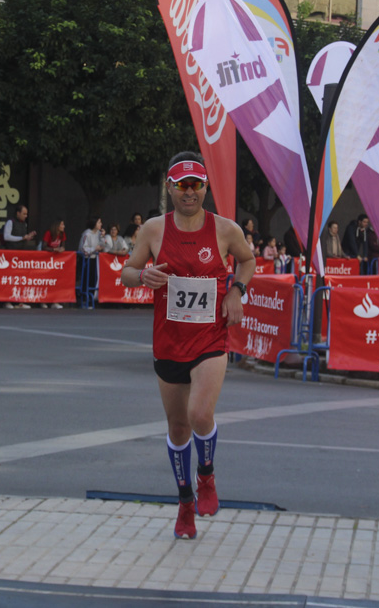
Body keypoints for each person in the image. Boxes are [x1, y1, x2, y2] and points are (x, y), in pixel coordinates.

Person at [121, 152, 255, 540]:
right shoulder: (153, 230)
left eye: (196, 185)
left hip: (210, 337)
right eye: (182, 186)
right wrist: (143, 275)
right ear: (170, 188)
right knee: (178, 427)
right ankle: (184, 503)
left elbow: (247, 262)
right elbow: (128, 272)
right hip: (168, 342)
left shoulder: (225, 230)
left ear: (205, 187)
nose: (190, 192)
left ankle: (207, 476)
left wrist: (236, 292)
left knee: (199, 415)